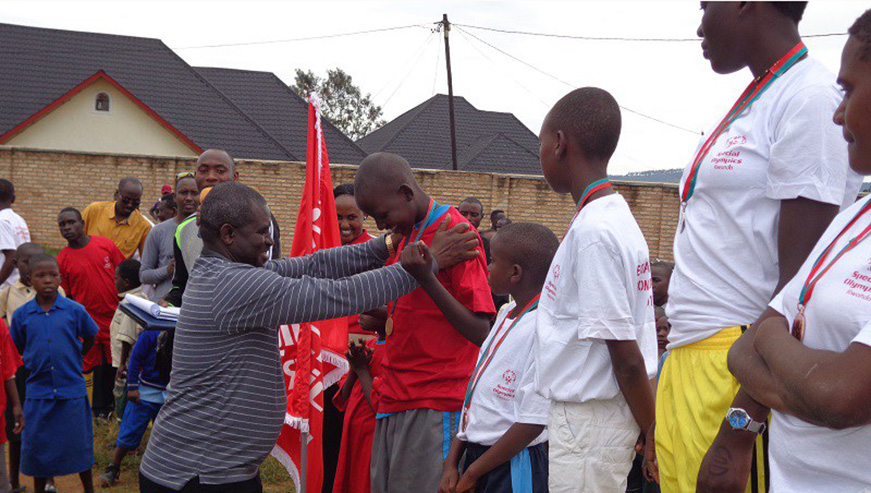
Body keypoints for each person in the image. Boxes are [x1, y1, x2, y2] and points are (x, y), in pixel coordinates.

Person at [139, 182, 479, 492]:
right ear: (228, 234)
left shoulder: (229, 271)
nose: (271, 241)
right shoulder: (234, 285)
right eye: (262, 232)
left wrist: (389, 243)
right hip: (196, 474)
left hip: (217, 468)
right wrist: (427, 264)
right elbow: (337, 295)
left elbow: (314, 265)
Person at [654, 3, 864, 492]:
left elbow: (796, 288)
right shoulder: (760, 97)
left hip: (740, 365)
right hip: (693, 354)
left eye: (707, 4)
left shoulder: (809, 96)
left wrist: (742, 425)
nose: (700, 23)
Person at [535, 87, 657, 492]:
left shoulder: (595, 232)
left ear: (558, 143)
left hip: (590, 420)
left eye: (541, 144)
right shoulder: (613, 217)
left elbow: (626, 354)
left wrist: (652, 428)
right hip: (596, 416)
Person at [354, 152, 496, 493]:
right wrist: (386, 316)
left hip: (433, 401)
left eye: (382, 215)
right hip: (395, 395)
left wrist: (427, 277)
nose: (380, 226)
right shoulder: (407, 235)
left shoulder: (454, 231)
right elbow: (423, 315)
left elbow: (481, 331)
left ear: (406, 193)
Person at [436, 222, 558, 493]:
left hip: (512, 464)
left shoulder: (545, 328)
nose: (488, 267)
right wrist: (451, 464)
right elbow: (475, 396)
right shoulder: (506, 313)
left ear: (515, 272)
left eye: (492, 261)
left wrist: (471, 474)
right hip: (477, 457)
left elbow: (532, 422)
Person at [10, 253, 99, 493]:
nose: (47, 280)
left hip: (71, 391)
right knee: (40, 450)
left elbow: (91, 334)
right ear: (29, 280)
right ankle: (43, 487)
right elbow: (18, 345)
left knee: (79, 447)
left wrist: (76, 354)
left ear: (60, 278)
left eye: (53, 275)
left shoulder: (74, 310)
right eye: (40, 276)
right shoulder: (22, 316)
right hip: (38, 394)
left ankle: (88, 488)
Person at [163, 149, 282, 307]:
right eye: (203, 171)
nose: (210, 177)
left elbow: (267, 276)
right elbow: (181, 285)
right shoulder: (184, 228)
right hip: (198, 322)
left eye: (220, 171)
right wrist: (168, 305)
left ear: (235, 178)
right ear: (195, 176)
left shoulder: (260, 221)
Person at [0, 243, 62, 493]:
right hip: (17, 371)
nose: (32, 266)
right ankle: (13, 481)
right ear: (16, 265)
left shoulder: (59, 292)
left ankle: (49, 480)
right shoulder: (6, 293)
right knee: (16, 428)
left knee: (45, 424)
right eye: (26, 261)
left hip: (46, 369)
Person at [57, 207, 125, 418]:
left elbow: (123, 274)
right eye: (62, 225)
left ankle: (118, 409)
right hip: (88, 322)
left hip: (115, 317)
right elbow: (67, 297)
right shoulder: (62, 260)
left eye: (71, 222)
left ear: (82, 223)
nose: (67, 228)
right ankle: (94, 412)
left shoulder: (105, 245)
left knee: (116, 363)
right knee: (90, 365)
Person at [101, 315, 168, 487]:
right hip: (145, 390)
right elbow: (136, 357)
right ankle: (113, 467)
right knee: (130, 430)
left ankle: (161, 473)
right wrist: (131, 387)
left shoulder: (183, 332)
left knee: (166, 436)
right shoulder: (151, 332)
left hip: (169, 392)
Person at [332, 333, 387, 493]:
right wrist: (354, 368)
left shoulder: (395, 351)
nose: (363, 311)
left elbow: (378, 405)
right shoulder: (368, 345)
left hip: (372, 438)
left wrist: (362, 370)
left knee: (365, 483)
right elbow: (342, 397)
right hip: (353, 434)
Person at [140, 174, 199, 302]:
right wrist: (167, 270)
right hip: (163, 309)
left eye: (194, 193)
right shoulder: (158, 231)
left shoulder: (207, 230)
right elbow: (144, 275)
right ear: (174, 197)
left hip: (194, 307)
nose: (189, 198)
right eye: (183, 193)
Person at [108, 258, 145, 421]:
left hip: (127, 366)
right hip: (128, 365)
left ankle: (123, 435)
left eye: (116, 278)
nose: (114, 281)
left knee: (123, 402)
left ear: (127, 282)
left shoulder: (132, 303)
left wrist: (122, 365)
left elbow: (126, 338)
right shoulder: (137, 298)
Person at [82, 177, 152, 259]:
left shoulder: (144, 226)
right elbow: (76, 240)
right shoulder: (94, 210)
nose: (130, 205)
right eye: (126, 200)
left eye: (135, 202)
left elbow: (146, 261)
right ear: (116, 194)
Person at [0, 180, 29, 291]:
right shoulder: (19, 220)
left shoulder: (2, 221)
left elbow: (11, 256)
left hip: (5, 287)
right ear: (13, 199)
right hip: (18, 283)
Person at [458, 197, 492, 264]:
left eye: (474, 215)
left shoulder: (486, 245)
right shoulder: (447, 239)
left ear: (481, 217)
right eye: (463, 214)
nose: (468, 218)